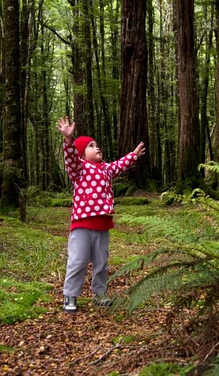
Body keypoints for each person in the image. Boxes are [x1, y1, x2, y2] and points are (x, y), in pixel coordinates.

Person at [57, 116, 145, 312]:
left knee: (101, 263)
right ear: (82, 154)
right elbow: (70, 158)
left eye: (96, 145)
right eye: (90, 146)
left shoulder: (106, 169)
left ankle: (99, 293)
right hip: (81, 224)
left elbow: (120, 164)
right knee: (78, 261)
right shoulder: (78, 169)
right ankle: (70, 295)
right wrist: (69, 141)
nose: (96, 148)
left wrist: (134, 155)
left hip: (103, 225)